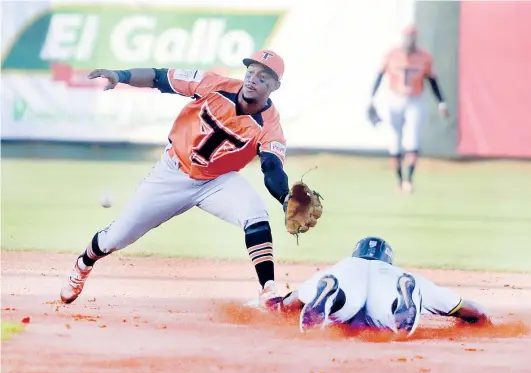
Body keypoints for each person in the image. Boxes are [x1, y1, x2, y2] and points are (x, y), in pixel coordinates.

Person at [60, 49, 291, 307]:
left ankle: (268, 289)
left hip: (217, 181)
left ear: (275, 86)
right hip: (172, 172)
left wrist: (285, 196)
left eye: (262, 78)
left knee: (255, 211)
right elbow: (160, 77)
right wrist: (120, 75)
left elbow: (271, 167)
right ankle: (84, 263)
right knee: (115, 238)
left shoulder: (271, 126)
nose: (252, 79)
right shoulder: (213, 84)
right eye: (251, 72)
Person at [275, 237, 491, 336]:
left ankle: (334, 297)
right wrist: (483, 321)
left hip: (345, 284)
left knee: (343, 306)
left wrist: (278, 305)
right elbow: (474, 311)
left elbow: (291, 302)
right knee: (385, 316)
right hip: (389, 288)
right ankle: (400, 301)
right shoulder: (401, 275)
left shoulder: (341, 267)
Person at [367, 25, 449, 193]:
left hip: (414, 99)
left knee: (413, 139)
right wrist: (371, 99)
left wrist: (442, 102)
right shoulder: (392, 55)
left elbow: (432, 81)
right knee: (394, 140)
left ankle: (408, 180)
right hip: (394, 98)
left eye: (411, 37)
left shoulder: (424, 57)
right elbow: (379, 76)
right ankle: (399, 180)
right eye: (406, 37)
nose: (408, 40)